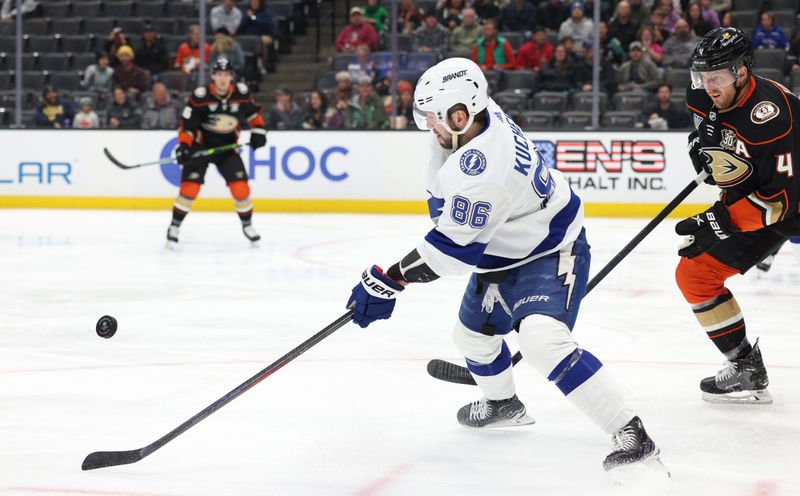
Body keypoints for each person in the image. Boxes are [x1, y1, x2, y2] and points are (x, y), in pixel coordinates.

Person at [346, 56, 667, 474]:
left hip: (550, 249)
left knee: (541, 341)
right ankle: (503, 404)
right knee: (471, 337)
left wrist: (388, 280)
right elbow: (448, 209)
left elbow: (450, 255)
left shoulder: (484, 170)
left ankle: (630, 431)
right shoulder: (476, 120)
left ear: (461, 115)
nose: (428, 126)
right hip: (508, 246)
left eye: (433, 118)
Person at [678, 27, 800, 404]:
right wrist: (700, 146)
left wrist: (720, 221)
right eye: (702, 75)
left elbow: (781, 201)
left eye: (716, 77)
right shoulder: (701, 93)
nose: (707, 85)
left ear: (742, 71)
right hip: (764, 196)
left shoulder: (772, 118)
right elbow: (708, 141)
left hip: (788, 196)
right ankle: (745, 365)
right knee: (695, 274)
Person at [170, 57, 267, 245]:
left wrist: (259, 132)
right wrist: (184, 146)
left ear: (231, 76)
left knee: (241, 189)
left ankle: (247, 225)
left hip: (228, 149)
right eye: (219, 74)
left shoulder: (241, 93)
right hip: (201, 149)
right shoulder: (200, 97)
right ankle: (174, 226)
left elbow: (254, 115)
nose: (223, 79)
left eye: (226, 74)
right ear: (213, 76)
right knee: (189, 189)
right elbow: (187, 126)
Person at [237, 0, 275, 72]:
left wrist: (253, 17)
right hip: (249, 36)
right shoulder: (247, 12)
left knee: (261, 40)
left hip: (264, 35)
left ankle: (262, 65)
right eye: (252, 2)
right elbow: (241, 26)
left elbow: (265, 25)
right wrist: (246, 17)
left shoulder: (266, 13)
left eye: (256, 2)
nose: (254, 4)